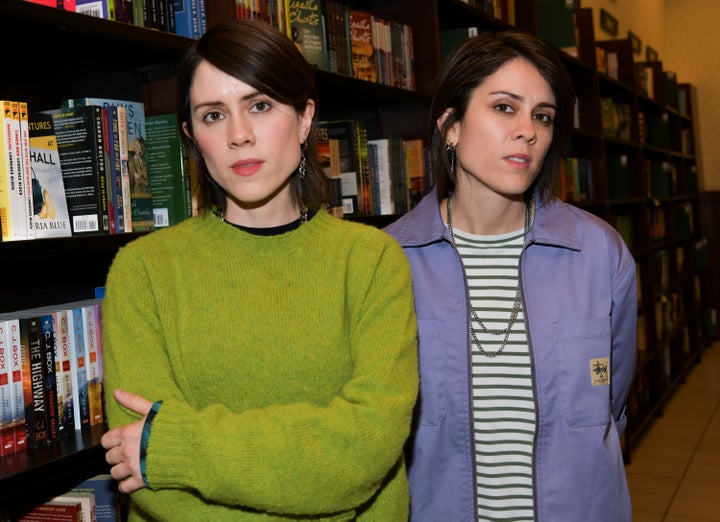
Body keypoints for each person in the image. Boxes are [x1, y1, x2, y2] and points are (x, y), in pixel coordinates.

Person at [100, 19, 418, 520]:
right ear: (191, 136)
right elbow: (145, 474)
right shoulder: (143, 272)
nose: (239, 135)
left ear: (305, 117)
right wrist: (318, 491)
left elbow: (364, 452)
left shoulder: (372, 261)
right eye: (212, 115)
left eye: (261, 105)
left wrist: (179, 448)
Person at [385, 30, 637, 521]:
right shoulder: (389, 259)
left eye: (542, 116)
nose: (528, 131)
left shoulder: (600, 253)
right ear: (450, 126)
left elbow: (613, 405)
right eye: (505, 107)